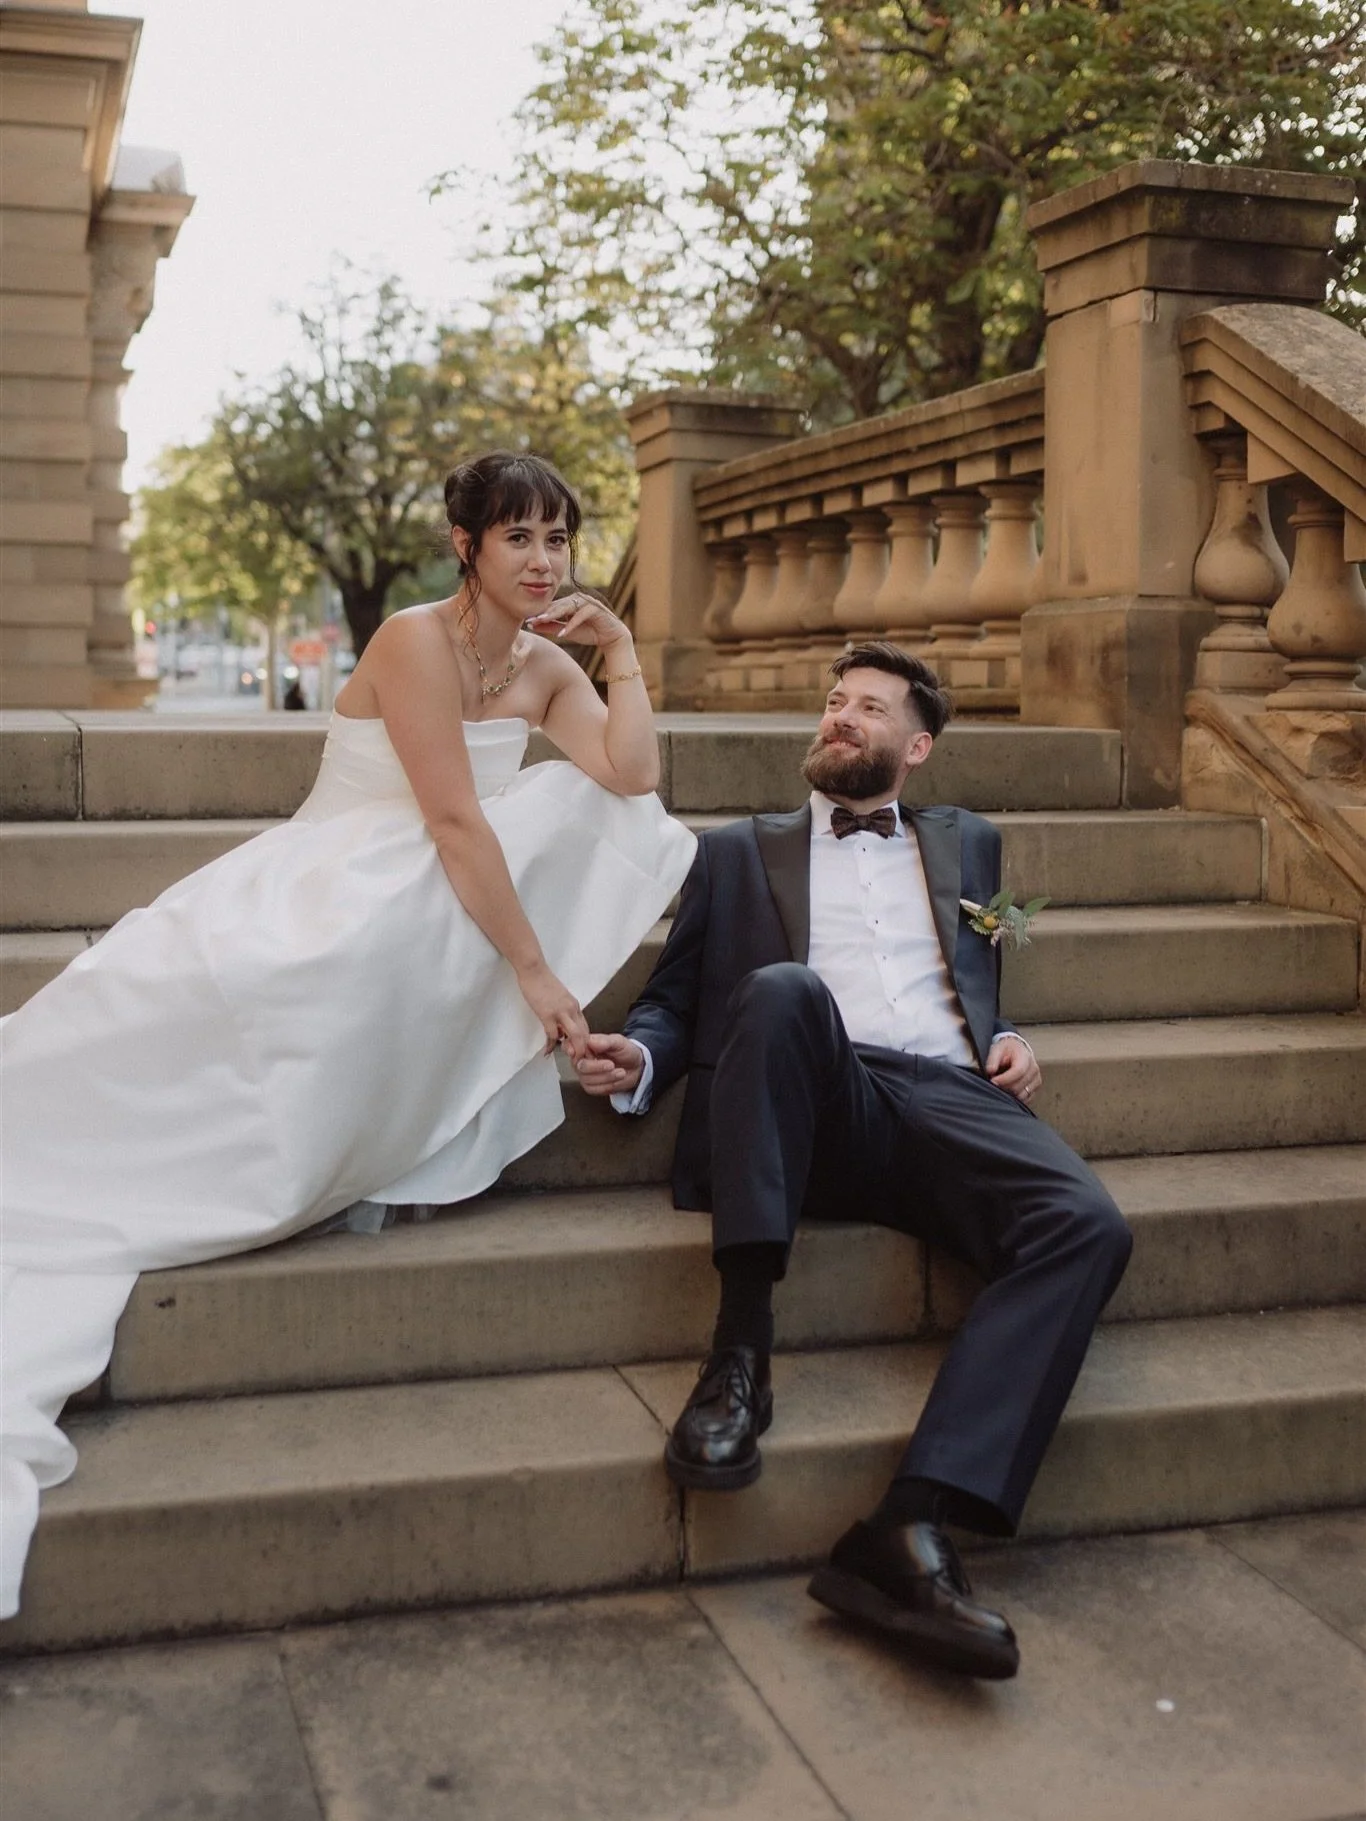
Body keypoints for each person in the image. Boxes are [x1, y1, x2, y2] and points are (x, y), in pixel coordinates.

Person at [0, 450, 696, 1620]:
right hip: (344, 871)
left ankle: (408, 1065)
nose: (542, 561)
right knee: (433, 886)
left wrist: (616, 655)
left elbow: (632, 769)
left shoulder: (542, 667)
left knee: (606, 806)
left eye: (559, 539)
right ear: (465, 546)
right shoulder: (413, 642)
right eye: (517, 538)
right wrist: (535, 976)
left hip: (429, 888)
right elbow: (449, 822)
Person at [577, 642, 1132, 1680]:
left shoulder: (973, 844)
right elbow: (673, 994)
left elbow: (969, 972)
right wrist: (642, 1055)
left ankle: (908, 1528)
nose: (841, 716)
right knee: (785, 988)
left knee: (1088, 1225)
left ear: (915, 747)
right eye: (834, 702)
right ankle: (738, 1362)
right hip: (814, 1098)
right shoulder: (738, 851)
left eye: (868, 708)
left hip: (952, 1096)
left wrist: (1004, 1036)